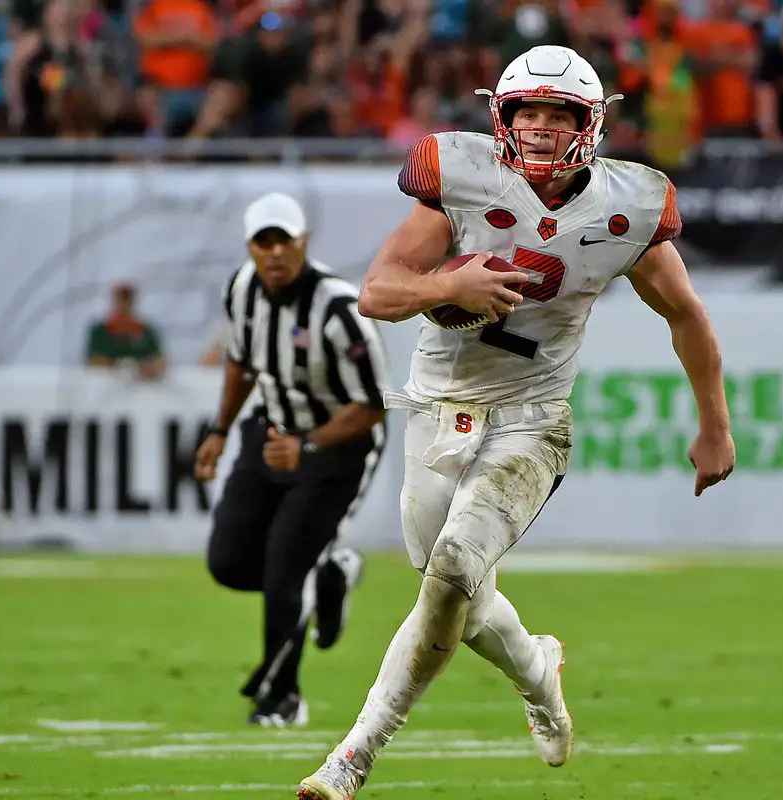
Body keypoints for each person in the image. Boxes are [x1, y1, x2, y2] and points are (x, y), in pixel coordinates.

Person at [297, 45, 735, 800]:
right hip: (436, 413)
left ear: (588, 123)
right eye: (526, 111)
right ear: (501, 117)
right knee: (455, 601)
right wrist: (451, 282)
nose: (538, 127)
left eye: (556, 113)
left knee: (458, 568)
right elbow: (377, 291)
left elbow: (686, 315)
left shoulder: (629, 205)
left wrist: (714, 425)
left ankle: (353, 757)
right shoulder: (460, 177)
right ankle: (539, 673)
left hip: (533, 420)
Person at [194, 192, 391, 727]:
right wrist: (219, 429)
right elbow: (240, 361)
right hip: (271, 431)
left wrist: (307, 447)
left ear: (304, 242)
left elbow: (373, 404)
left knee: (285, 567)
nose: (275, 252)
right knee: (229, 562)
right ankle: (329, 573)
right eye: (265, 242)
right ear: (250, 248)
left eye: (285, 241)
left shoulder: (336, 308)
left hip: (338, 450)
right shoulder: (241, 289)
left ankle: (282, 698)